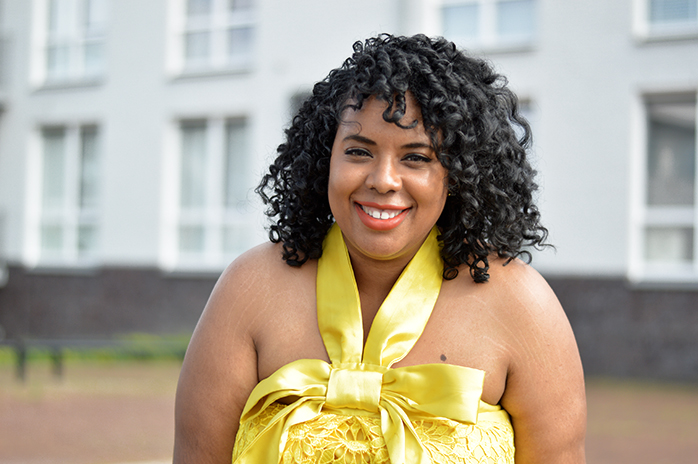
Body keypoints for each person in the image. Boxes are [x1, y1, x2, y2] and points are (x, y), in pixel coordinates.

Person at [173, 34, 586, 463]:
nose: (383, 180)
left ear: (460, 172)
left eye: (416, 157)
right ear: (325, 158)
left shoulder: (522, 305)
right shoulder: (249, 289)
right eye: (358, 151)